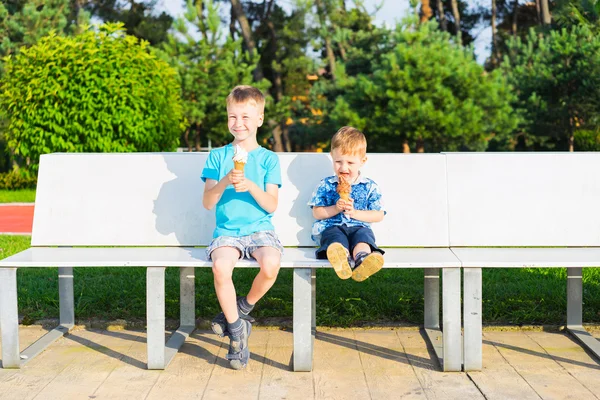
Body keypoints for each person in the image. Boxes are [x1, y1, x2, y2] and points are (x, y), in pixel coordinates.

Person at [201, 85, 282, 370]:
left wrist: (250, 186)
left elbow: (271, 205)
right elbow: (208, 202)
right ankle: (236, 333)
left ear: (259, 119)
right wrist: (225, 181)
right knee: (221, 268)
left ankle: (242, 308)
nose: (239, 124)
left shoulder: (269, 159)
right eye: (233, 117)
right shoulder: (217, 155)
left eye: (246, 117)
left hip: (260, 229)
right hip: (227, 232)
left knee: (271, 264)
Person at [308, 126, 386, 282]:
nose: (343, 168)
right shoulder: (326, 185)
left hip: (359, 226)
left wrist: (355, 213)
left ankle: (363, 260)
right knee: (334, 237)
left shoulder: (369, 186)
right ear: (332, 157)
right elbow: (317, 212)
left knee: (363, 238)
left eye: (350, 162)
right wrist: (336, 208)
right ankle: (341, 259)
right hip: (332, 226)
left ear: (362, 161)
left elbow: (378, 215)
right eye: (338, 161)